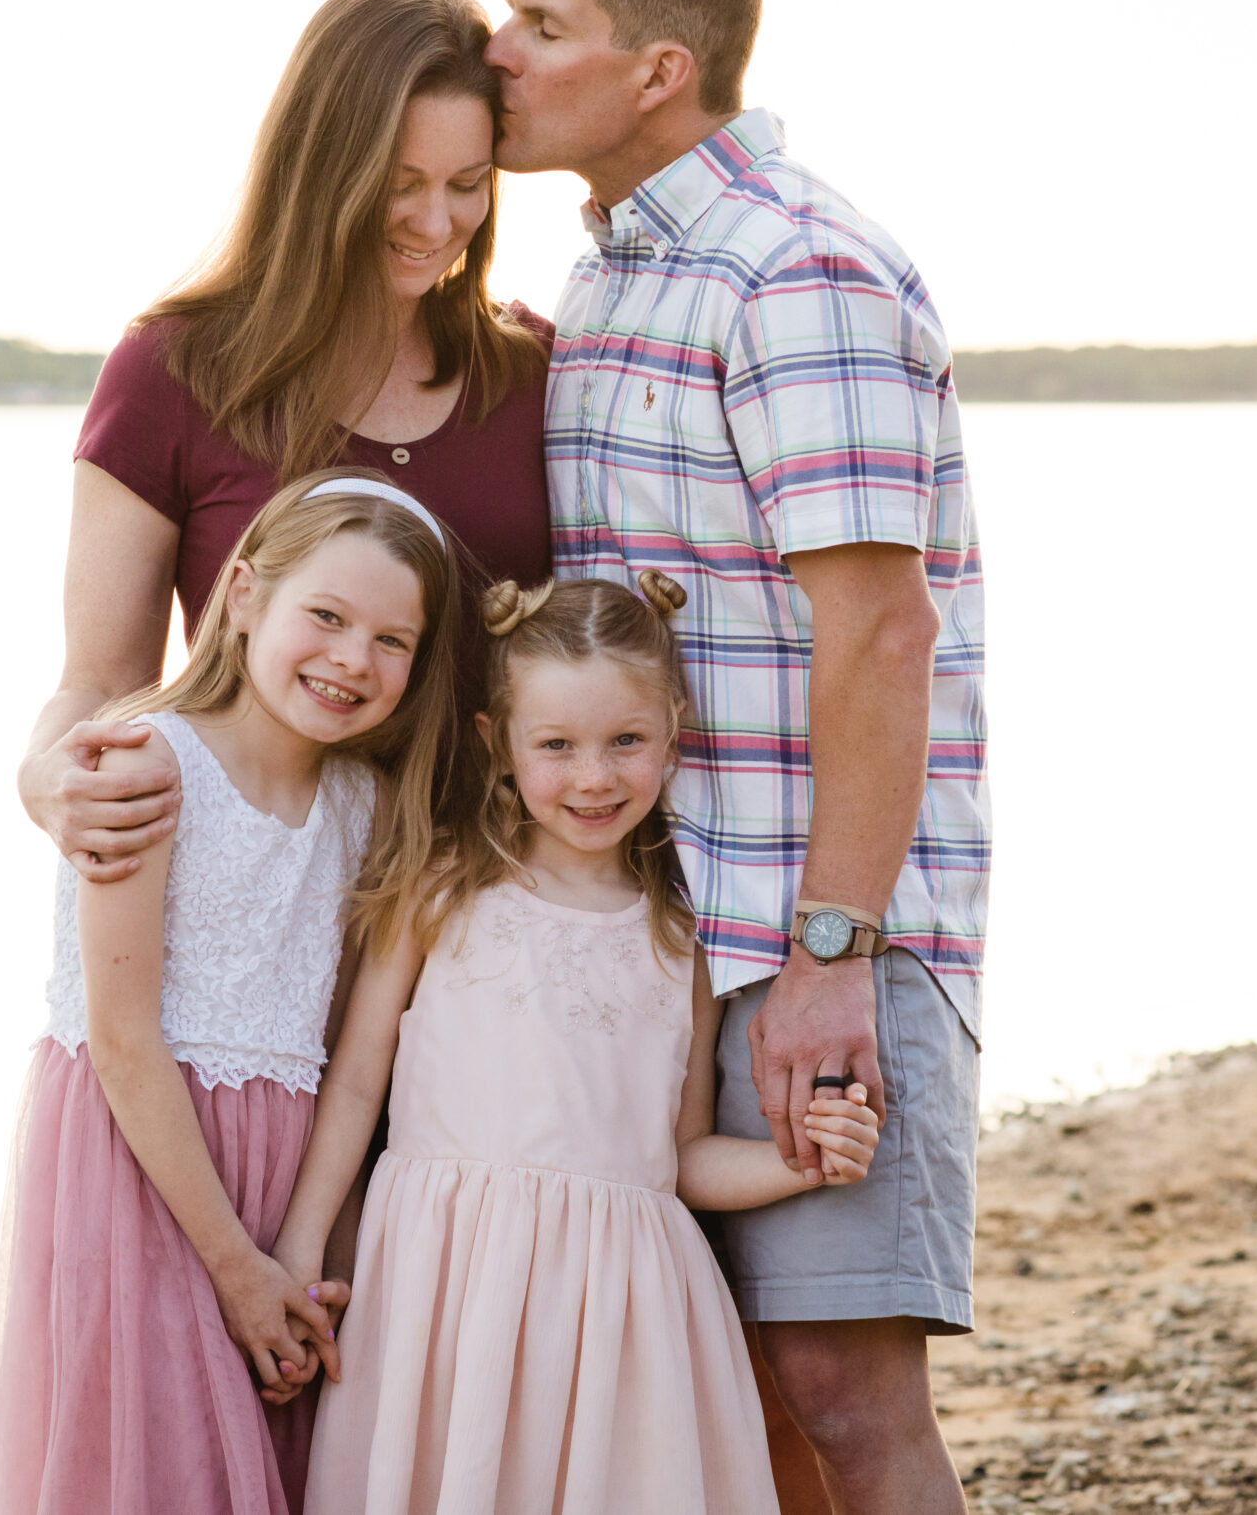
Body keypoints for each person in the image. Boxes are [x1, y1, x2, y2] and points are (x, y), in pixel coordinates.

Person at [482, 0, 992, 1514]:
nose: (498, 52)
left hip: (816, 939)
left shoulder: (797, 274)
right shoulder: (621, 281)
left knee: (847, 1399)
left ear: (657, 66)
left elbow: (881, 638)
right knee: (735, 1402)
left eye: (542, 24)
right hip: (656, 939)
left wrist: (830, 959)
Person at [271, 573, 882, 1513]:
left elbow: (678, 1158)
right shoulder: (440, 890)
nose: (593, 777)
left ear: (672, 734)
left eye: (625, 742)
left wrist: (802, 1161)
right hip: (445, 1288)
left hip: (618, 1308)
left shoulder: (679, 939)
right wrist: (305, 1244)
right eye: (557, 745)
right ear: (500, 747)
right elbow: (354, 1089)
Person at [0, 471, 463, 1515]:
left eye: (393, 641)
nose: (351, 659)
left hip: (281, 1185)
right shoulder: (145, 762)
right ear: (243, 595)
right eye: (326, 616)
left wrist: (294, 1253)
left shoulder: (363, 806)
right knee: (159, 1467)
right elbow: (120, 1042)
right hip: (142, 1171)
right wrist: (235, 1268)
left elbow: (347, 1059)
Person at [18, 0, 555, 891]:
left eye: (467, 185)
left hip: (487, 912)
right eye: (400, 185)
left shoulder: (537, 372)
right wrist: (44, 777)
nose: (437, 223)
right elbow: (104, 677)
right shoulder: (172, 371)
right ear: (321, 169)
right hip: (256, 902)